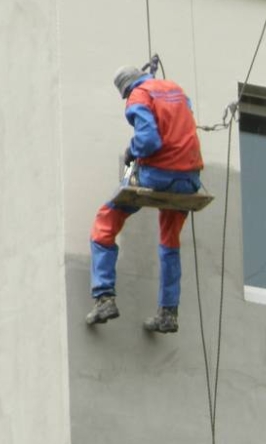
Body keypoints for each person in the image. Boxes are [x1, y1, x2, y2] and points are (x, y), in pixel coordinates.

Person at [85, 65, 204, 333]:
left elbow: (149, 140)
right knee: (169, 241)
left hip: (159, 175)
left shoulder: (138, 96)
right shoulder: (177, 90)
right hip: (189, 179)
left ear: (127, 88)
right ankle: (168, 313)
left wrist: (132, 151)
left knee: (106, 220)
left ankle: (104, 297)